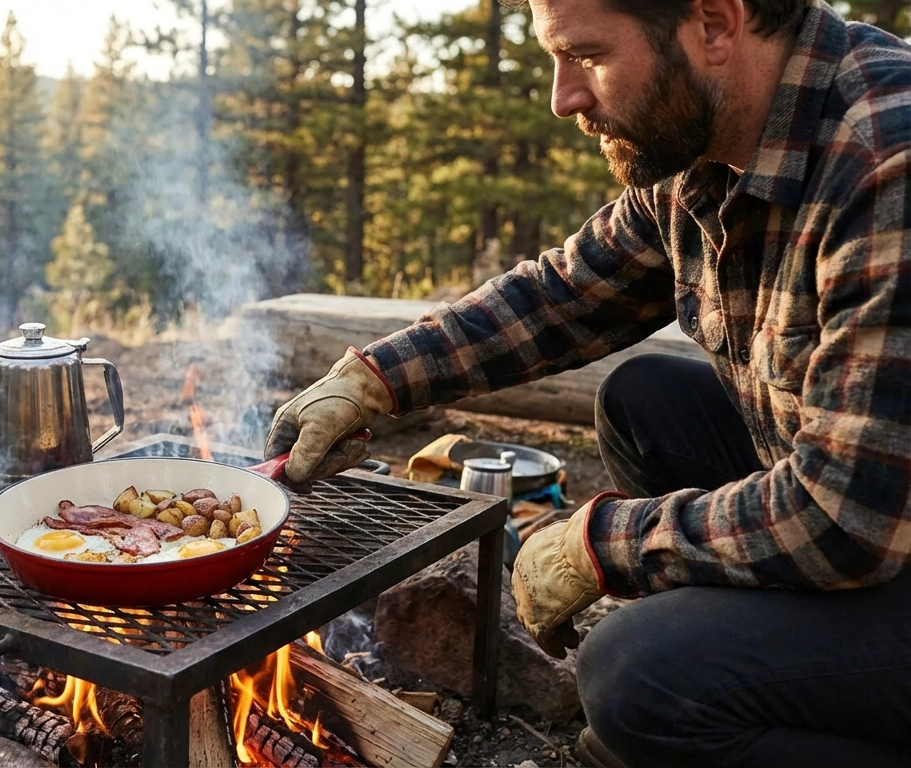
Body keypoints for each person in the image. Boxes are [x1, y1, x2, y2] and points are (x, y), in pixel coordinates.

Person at [263, 0, 911, 765]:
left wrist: (604, 544)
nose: (563, 97)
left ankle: (704, 700)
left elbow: (846, 516)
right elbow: (564, 296)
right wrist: (375, 378)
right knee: (645, 403)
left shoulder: (884, 158)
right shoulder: (714, 138)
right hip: (878, 512)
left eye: (587, 56)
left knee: (635, 674)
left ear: (714, 24)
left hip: (872, 524)